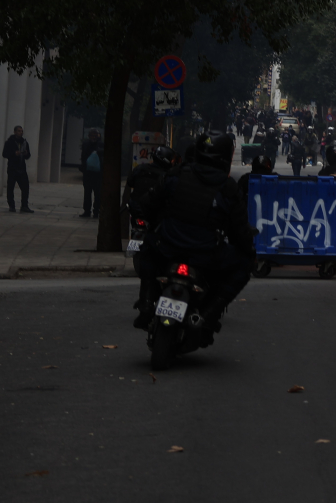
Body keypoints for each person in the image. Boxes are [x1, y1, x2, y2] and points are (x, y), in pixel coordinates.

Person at [133, 134, 255, 345]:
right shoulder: (228, 190)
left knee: (147, 248)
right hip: (205, 255)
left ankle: (145, 302)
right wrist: (248, 249)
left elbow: (148, 204)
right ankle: (208, 316)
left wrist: (156, 222)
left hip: (168, 246)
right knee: (243, 265)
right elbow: (239, 232)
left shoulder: (176, 175)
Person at [124, 146, 176, 222]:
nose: (173, 162)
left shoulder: (140, 168)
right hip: (153, 215)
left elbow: (130, 182)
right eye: (172, 160)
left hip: (136, 211)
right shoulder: (166, 176)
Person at [2, 125, 33, 213]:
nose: (21, 132)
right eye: (19, 131)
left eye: (21, 131)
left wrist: (26, 154)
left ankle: (24, 205)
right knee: (10, 187)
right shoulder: (9, 142)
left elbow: (28, 156)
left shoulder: (24, 142)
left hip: (22, 168)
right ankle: (11, 205)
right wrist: (14, 154)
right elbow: (4, 154)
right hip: (12, 168)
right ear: (15, 132)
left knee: (25, 187)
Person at [79, 129, 103, 218]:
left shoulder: (100, 145)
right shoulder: (86, 144)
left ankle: (95, 210)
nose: (93, 137)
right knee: (88, 192)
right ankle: (88, 210)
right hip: (89, 173)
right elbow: (83, 157)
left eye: (95, 135)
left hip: (97, 173)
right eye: (92, 135)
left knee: (97, 193)